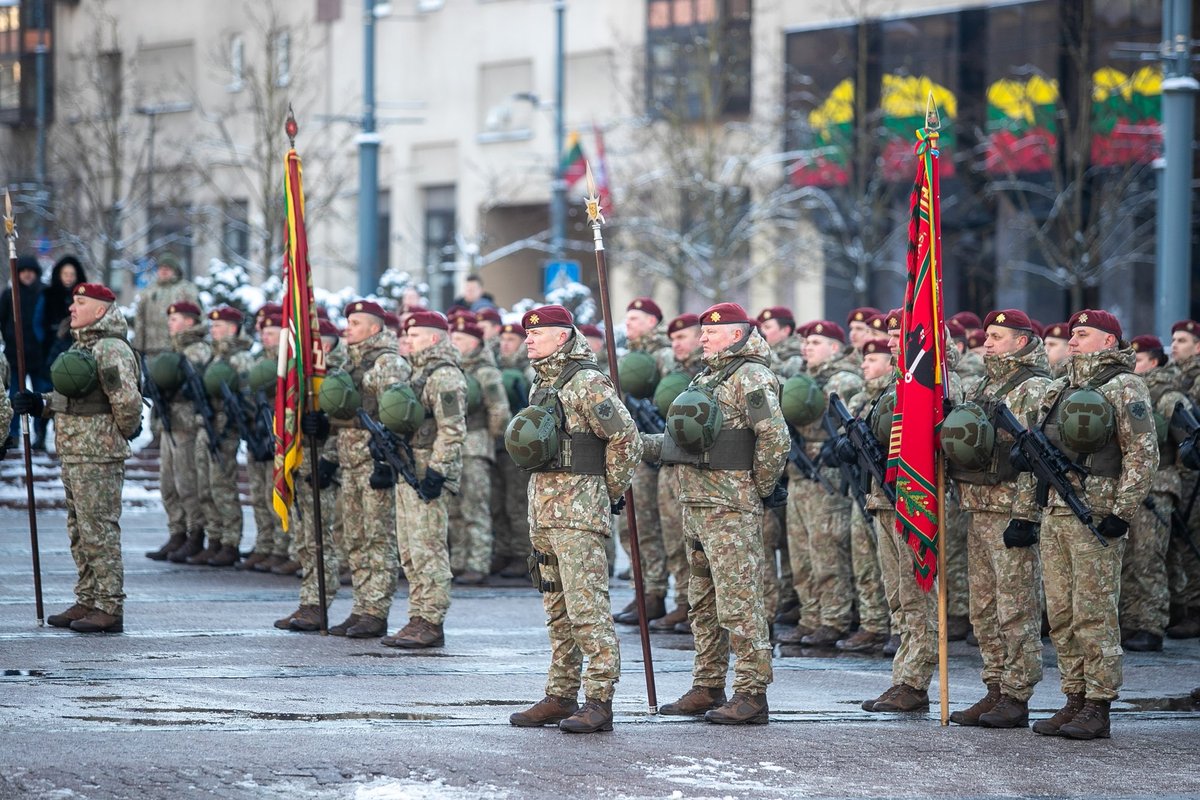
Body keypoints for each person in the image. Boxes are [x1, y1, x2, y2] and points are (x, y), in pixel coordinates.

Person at [652, 302, 788, 724]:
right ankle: (708, 684)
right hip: (698, 503)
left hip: (730, 506)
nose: (703, 337)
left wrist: (757, 488)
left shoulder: (751, 376)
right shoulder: (709, 375)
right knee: (703, 601)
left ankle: (751, 692)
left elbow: (774, 437)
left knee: (739, 600)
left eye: (712, 331)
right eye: (702, 331)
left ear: (736, 334)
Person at [507, 304, 641, 733]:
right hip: (546, 511)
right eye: (527, 333)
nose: (529, 339)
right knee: (558, 609)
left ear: (561, 337)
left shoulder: (586, 381)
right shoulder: (543, 381)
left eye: (537, 333)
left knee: (587, 608)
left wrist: (607, 491)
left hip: (578, 513)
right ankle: (560, 694)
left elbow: (626, 438)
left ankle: (599, 699)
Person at [1029, 309, 1157, 740]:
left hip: (1096, 516)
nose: (1073, 341)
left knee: (1094, 614)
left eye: (1083, 334)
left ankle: (1098, 705)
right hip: (1055, 511)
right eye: (1072, 334)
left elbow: (1142, 454)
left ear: (1108, 341)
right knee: (1061, 615)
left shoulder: (1125, 386)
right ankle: (1074, 697)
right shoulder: (1061, 387)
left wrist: (1122, 512)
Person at [944, 309, 1051, 728]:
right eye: (986, 336)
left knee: (1016, 607)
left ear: (1021, 342)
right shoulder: (984, 384)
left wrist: (1026, 515)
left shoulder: (1034, 388)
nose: (987, 343)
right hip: (979, 506)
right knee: (984, 608)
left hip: (1009, 512)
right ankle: (995, 687)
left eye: (996, 337)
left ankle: (1017, 695)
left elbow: (1035, 458)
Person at [19, 283, 142, 632]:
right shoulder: (81, 346)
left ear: (100, 310)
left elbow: (127, 402)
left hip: (98, 454)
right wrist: (39, 403)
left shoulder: (111, 348)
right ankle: (88, 598)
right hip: (75, 451)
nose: (72, 308)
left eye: (81, 302)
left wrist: (116, 434)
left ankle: (109, 606)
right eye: (73, 301)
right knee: (79, 530)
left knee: (98, 529)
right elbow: (69, 399)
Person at [298, 300, 410, 638]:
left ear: (375, 328)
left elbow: (396, 415)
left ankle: (376, 611)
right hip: (349, 460)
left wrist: (385, 462)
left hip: (374, 461)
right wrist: (326, 440)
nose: (348, 328)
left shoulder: (388, 363)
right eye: (348, 322)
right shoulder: (349, 363)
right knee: (355, 538)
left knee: (378, 538)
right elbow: (344, 417)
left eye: (356, 323)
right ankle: (361, 607)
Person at [376, 310, 467, 648]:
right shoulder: (416, 372)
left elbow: (452, 429)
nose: (407, 341)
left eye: (414, 336)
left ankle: (431, 620)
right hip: (409, 467)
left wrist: (438, 471)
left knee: (428, 548)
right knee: (410, 549)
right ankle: (417, 616)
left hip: (428, 472)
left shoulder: (446, 377)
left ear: (433, 338)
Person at [785, 319, 863, 647]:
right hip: (799, 475)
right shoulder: (802, 377)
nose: (807, 347)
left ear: (834, 347)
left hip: (826, 476)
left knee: (827, 551)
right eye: (805, 342)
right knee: (801, 555)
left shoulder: (844, 380)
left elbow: (850, 427)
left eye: (816, 342)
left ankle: (834, 618)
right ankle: (810, 616)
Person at [1120, 335, 1185, 652]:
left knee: (1148, 557)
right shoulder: (1128, 390)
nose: (1134, 365)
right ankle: (1131, 620)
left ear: (1155, 361)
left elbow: (1187, 445)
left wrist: (1175, 482)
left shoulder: (1168, 396)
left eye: (1140, 359)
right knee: (1128, 558)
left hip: (1158, 484)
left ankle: (1151, 624)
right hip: (1131, 484)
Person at [613, 297, 671, 625]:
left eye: (635, 318)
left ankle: (655, 592)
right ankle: (641, 588)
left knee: (647, 525)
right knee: (630, 525)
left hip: (652, 449)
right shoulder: (627, 356)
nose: (629, 323)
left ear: (652, 321)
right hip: (630, 449)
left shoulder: (663, 355)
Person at [649, 313, 706, 634]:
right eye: (672, 339)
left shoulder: (707, 374)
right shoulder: (672, 373)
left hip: (696, 467)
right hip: (670, 463)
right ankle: (683, 601)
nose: (676, 345)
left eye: (682, 337)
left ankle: (698, 606)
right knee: (672, 537)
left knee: (695, 543)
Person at [144, 301, 213, 563]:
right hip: (170, 423)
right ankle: (177, 531)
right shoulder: (173, 349)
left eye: (175, 319)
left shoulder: (198, 350)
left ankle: (196, 533)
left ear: (190, 322)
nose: (170, 323)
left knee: (187, 482)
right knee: (168, 483)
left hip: (187, 424)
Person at [837, 333, 893, 654]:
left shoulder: (894, 395)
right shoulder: (862, 398)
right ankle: (873, 624)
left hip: (888, 489)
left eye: (872, 360)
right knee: (864, 560)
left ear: (890, 364)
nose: (864, 365)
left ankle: (897, 628)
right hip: (866, 489)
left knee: (892, 566)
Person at [188, 307, 255, 567]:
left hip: (226, 429)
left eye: (219, 326)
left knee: (222, 486)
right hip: (208, 425)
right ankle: (214, 538)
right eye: (212, 326)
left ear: (233, 329)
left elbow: (248, 397)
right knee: (205, 486)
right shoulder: (214, 356)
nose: (213, 330)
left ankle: (230, 542)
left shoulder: (240, 359)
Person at [448, 315, 512, 586]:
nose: (454, 343)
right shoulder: (452, 369)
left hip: (475, 445)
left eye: (459, 339)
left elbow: (500, 410)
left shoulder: (486, 372)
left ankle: (478, 563)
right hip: (452, 445)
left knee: (475, 506)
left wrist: (490, 438)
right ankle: (458, 560)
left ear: (474, 342)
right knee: (454, 509)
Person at [491, 322, 534, 577]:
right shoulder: (495, 367)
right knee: (497, 502)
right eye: (503, 340)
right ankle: (503, 550)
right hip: (497, 442)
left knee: (517, 501)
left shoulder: (529, 370)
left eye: (511, 340)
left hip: (519, 444)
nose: (505, 345)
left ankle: (522, 553)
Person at [1167, 319, 1200, 640]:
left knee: (1193, 540)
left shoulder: (1196, 379)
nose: (1174, 345)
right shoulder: (1177, 376)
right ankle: (1180, 604)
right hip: (1181, 466)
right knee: (1179, 539)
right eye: (1174, 340)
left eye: (1182, 340)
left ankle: (1195, 610)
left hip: (1194, 470)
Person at [1, 254, 49, 448]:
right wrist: (10, 337)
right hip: (15, 355)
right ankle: (13, 434)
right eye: (23, 271)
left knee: (39, 397)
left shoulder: (44, 293)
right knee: (14, 397)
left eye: (31, 271)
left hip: (39, 356)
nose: (27, 275)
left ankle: (40, 434)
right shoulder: (9, 294)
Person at [133, 255, 199, 359]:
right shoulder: (149, 291)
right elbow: (140, 319)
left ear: (175, 270)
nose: (164, 271)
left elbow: (197, 317)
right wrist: (138, 347)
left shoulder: (186, 289)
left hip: (178, 348)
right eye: (161, 268)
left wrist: (189, 339)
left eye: (167, 268)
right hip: (152, 349)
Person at [41, 255, 86, 364]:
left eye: (72, 274)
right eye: (65, 274)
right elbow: (38, 321)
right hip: (52, 346)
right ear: (59, 274)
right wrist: (44, 340)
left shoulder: (84, 296)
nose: (68, 278)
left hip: (78, 346)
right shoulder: (48, 295)